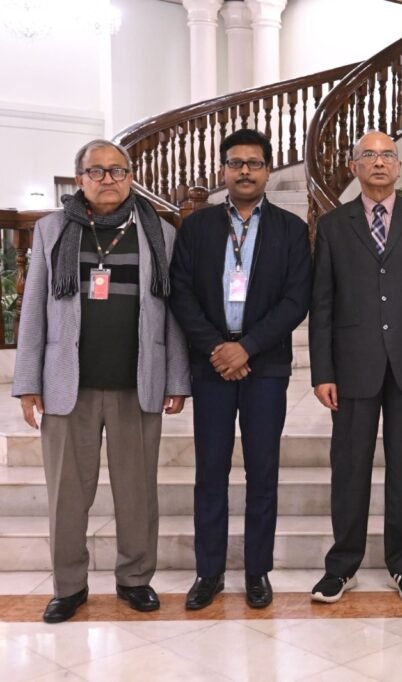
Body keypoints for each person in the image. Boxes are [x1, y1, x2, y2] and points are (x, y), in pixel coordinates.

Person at [12, 139, 189, 623]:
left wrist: (177, 377)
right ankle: (69, 587)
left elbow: (173, 311)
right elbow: (33, 310)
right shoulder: (51, 230)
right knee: (67, 495)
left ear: (130, 177)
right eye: (97, 171)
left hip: (139, 382)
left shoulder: (159, 232)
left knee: (138, 493)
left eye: (117, 170)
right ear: (79, 179)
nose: (108, 179)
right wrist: (28, 382)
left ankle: (135, 579)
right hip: (68, 385)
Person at [169, 129, 312, 610]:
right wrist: (217, 347)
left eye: (254, 163)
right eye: (236, 163)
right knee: (210, 471)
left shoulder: (291, 229)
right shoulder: (198, 227)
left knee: (262, 472)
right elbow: (181, 293)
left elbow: (296, 299)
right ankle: (208, 572)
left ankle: (257, 571)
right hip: (211, 365)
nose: (245, 171)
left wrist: (246, 348)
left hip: (265, 367)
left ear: (268, 170)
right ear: (223, 171)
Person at [309, 131, 402, 603]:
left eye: (387, 155)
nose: (378, 162)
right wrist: (322, 372)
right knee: (349, 468)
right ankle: (341, 566)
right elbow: (322, 305)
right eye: (368, 155)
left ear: (399, 165)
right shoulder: (334, 225)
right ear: (354, 166)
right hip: (352, 366)